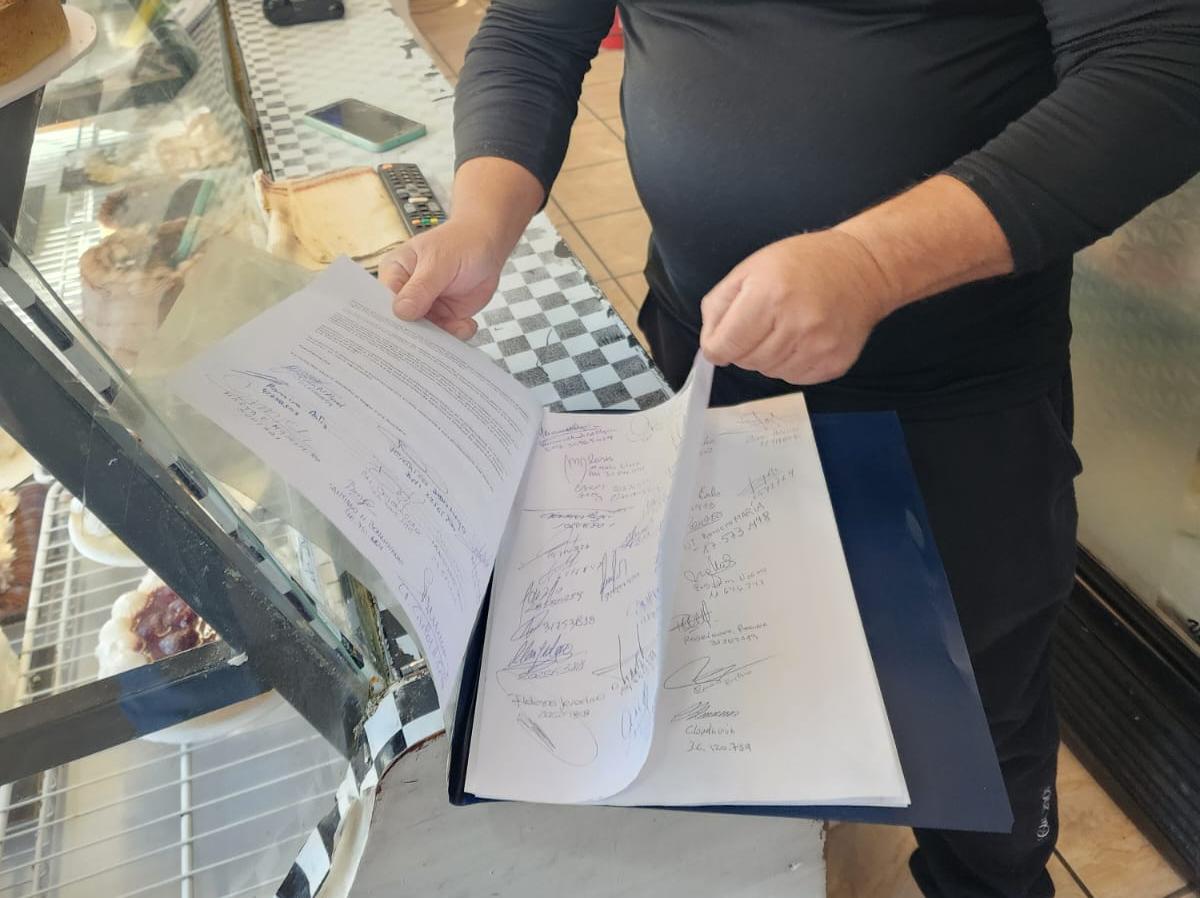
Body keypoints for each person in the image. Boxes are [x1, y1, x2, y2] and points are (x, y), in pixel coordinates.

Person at [380, 2, 1200, 895]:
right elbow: (536, 31)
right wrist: (481, 221)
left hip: (953, 398)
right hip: (704, 352)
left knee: (971, 711)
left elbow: (1163, 59)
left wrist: (874, 263)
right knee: (736, 671)